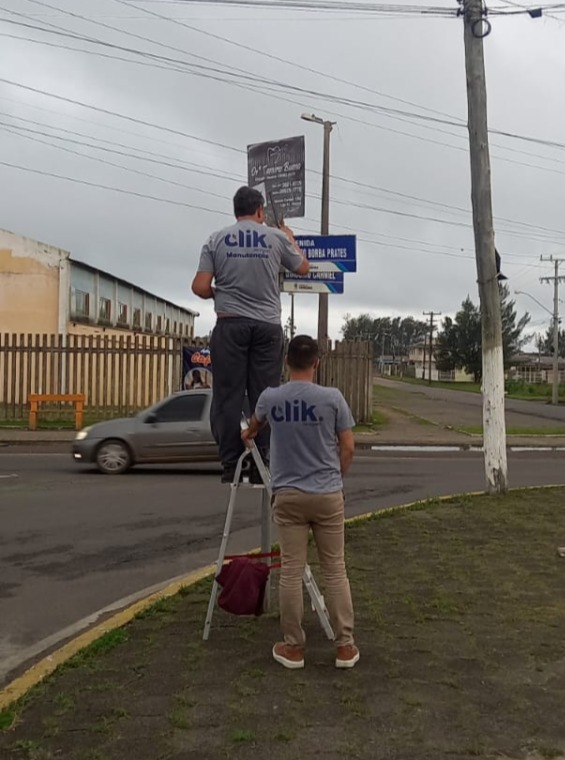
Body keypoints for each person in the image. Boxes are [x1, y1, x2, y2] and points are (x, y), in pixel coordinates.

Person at [241, 335, 359, 670]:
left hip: (289, 496)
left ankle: (293, 648)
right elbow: (348, 446)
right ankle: (345, 647)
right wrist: (337, 478)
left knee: (291, 571)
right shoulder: (333, 398)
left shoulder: (271, 398)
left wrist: (248, 433)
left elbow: (253, 427)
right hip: (327, 495)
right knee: (335, 570)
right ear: (316, 362)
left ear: (286, 362)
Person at [191, 186, 309, 483]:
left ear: (236, 212)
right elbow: (303, 267)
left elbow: (200, 286)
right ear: (260, 212)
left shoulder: (216, 239)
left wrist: (219, 294)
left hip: (230, 326)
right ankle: (261, 463)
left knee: (227, 397)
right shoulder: (276, 237)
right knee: (265, 395)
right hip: (267, 327)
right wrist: (290, 237)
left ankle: (231, 464)